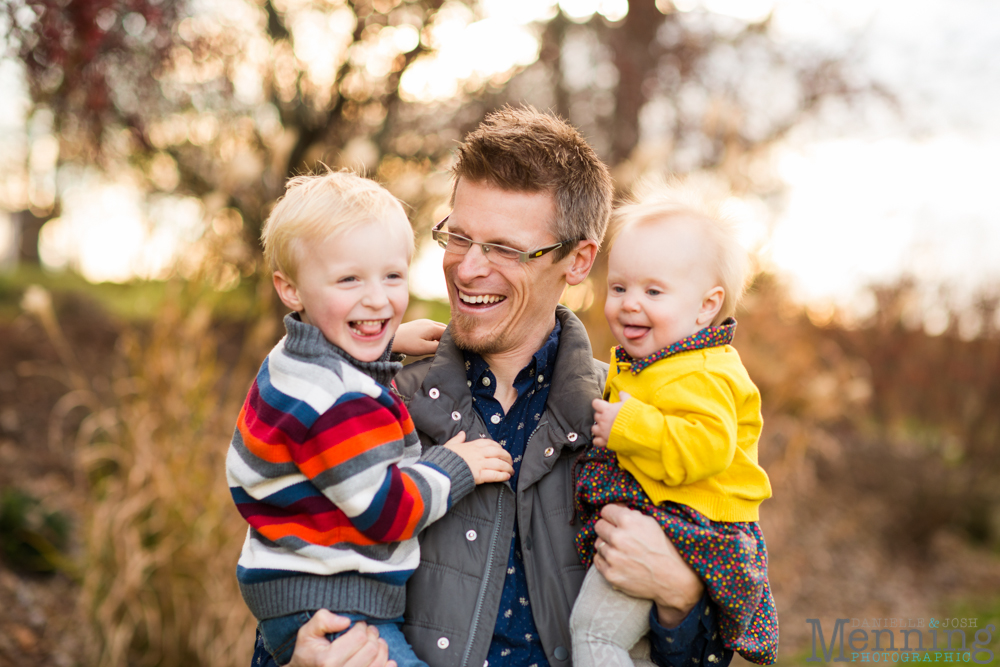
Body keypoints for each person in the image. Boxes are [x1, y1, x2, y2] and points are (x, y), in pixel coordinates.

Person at [279, 106, 730, 667]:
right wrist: (295, 660)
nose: (468, 269)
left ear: (578, 260)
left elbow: (694, 652)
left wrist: (679, 595)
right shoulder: (367, 402)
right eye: (459, 237)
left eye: (504, 248)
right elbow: (287, 592)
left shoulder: (638, 419)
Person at [227, 170, 514, 666]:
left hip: (293, 585)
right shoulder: (341, 403)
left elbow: (328, 357)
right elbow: (387, 511)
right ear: (290, 288)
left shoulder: (297, 360)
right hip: (335, 604)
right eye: (349, 279)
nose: (378, 299)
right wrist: (453, 466)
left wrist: (386, 341)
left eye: (393, 276)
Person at [570, 190, 779, 666]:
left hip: (687, 527)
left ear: (707, 307)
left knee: (594, 635)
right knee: (636, 651)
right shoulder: (661, 362)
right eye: (619, 288)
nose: (629, 304)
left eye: (653, 291)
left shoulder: (702, 372)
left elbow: (708, 447)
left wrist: (628, 425)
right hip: (665, 521)